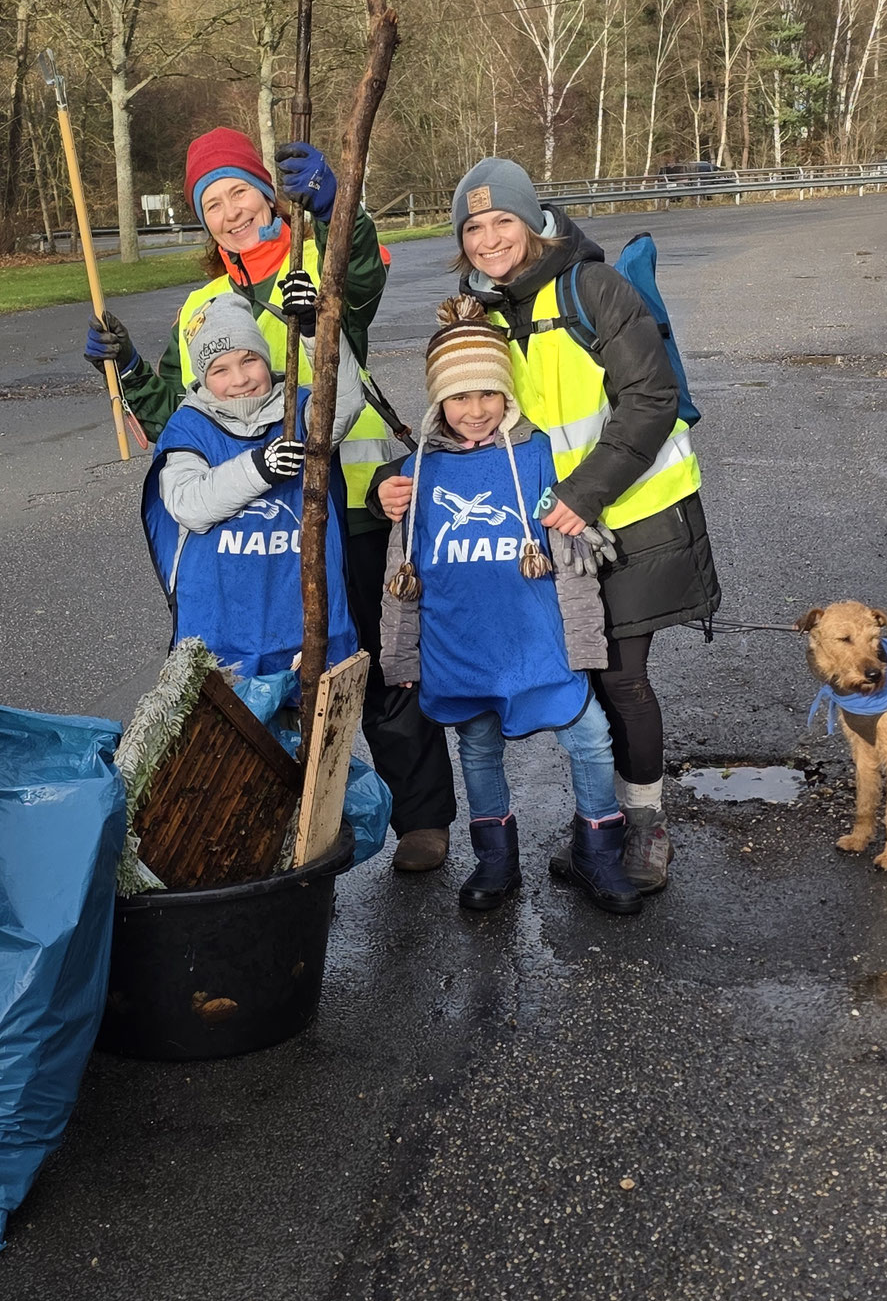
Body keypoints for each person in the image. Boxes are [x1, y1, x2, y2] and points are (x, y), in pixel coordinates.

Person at [87, 126, 456, 865]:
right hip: (262, 525)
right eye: (212, 204)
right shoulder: (201, 308)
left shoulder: (316, 259)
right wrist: (127, 370)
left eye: (239, 193)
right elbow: (178, 419)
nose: (230, 213)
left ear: (268, 191)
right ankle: (274, 832)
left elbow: (361, 275)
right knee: (272, 679)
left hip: (354, 501)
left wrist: (338, 210)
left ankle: (421, 820)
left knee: (377, 665)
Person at [437, 157, 720, 892]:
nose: (490, 238)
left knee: (622, 680)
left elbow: (651, 397)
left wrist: (587, 493)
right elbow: (472, 416)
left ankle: (646, 826)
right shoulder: (485, 310)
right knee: (582, 684)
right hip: (558, 533)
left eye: (503, 220)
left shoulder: (593, 288)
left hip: (636, 515)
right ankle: (602, 826)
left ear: (534, 221)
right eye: (474, 227)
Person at [373, 298, 641, 915]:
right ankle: (496, 861)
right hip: (462, 647)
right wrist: (401, 657)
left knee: (591, 738)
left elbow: (572, 558)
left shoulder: (540, 454)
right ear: (438, 402)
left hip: (537, 644)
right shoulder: (416, 473)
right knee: (477, 750)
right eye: (459, 398)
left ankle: (600, 854)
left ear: (507, 393)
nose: (475, 411)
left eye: (488, 394)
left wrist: (584, 643)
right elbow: (401, 572)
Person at [141, 287, 361, 678]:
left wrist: (315, 328)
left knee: (311, 715)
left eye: (249, 360)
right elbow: (189, 504)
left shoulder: (300, 409)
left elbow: (344, 403)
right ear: (203, 377)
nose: (240, 379)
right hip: (221, 634)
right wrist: (260, 468)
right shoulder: (189, 427)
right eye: (220, 370)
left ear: (265, 358)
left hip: (307, 628)